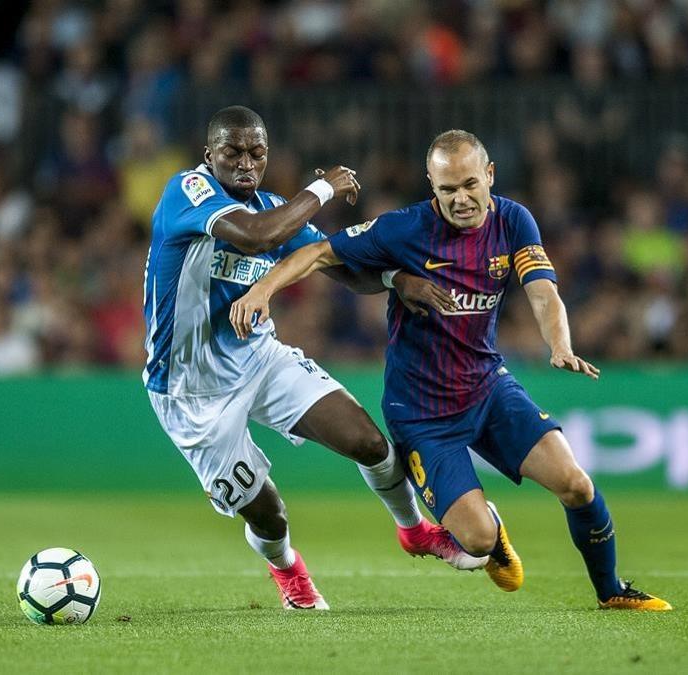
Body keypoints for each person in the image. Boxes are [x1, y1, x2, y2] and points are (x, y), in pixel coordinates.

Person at [230, 130, 672, 611]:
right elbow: (317, 253)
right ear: (431, 186)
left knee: (575, 483)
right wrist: (263, 291)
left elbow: (543, 291)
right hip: (421, 414)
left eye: (469, 185)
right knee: (479, 542)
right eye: (447, 190)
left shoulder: (513, 221)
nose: (461, 199)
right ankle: (490, 531)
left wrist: (559, 344)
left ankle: (611, 592)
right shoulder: (404, 229)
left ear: (489, 175)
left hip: (487, 388)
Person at [143, 106, 485, 612]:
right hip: (191, 392)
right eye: (232, 152)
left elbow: (340, 265)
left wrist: (396, 279)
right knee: (269, 515)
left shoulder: (273, 205)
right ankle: (289, 572)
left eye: (256, 153)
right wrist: (322, 189)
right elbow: (258, 235)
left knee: (369, 441)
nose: (245, 163)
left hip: (260, 359)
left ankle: (415, 531)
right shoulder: (187, 192)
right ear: (208, 154)